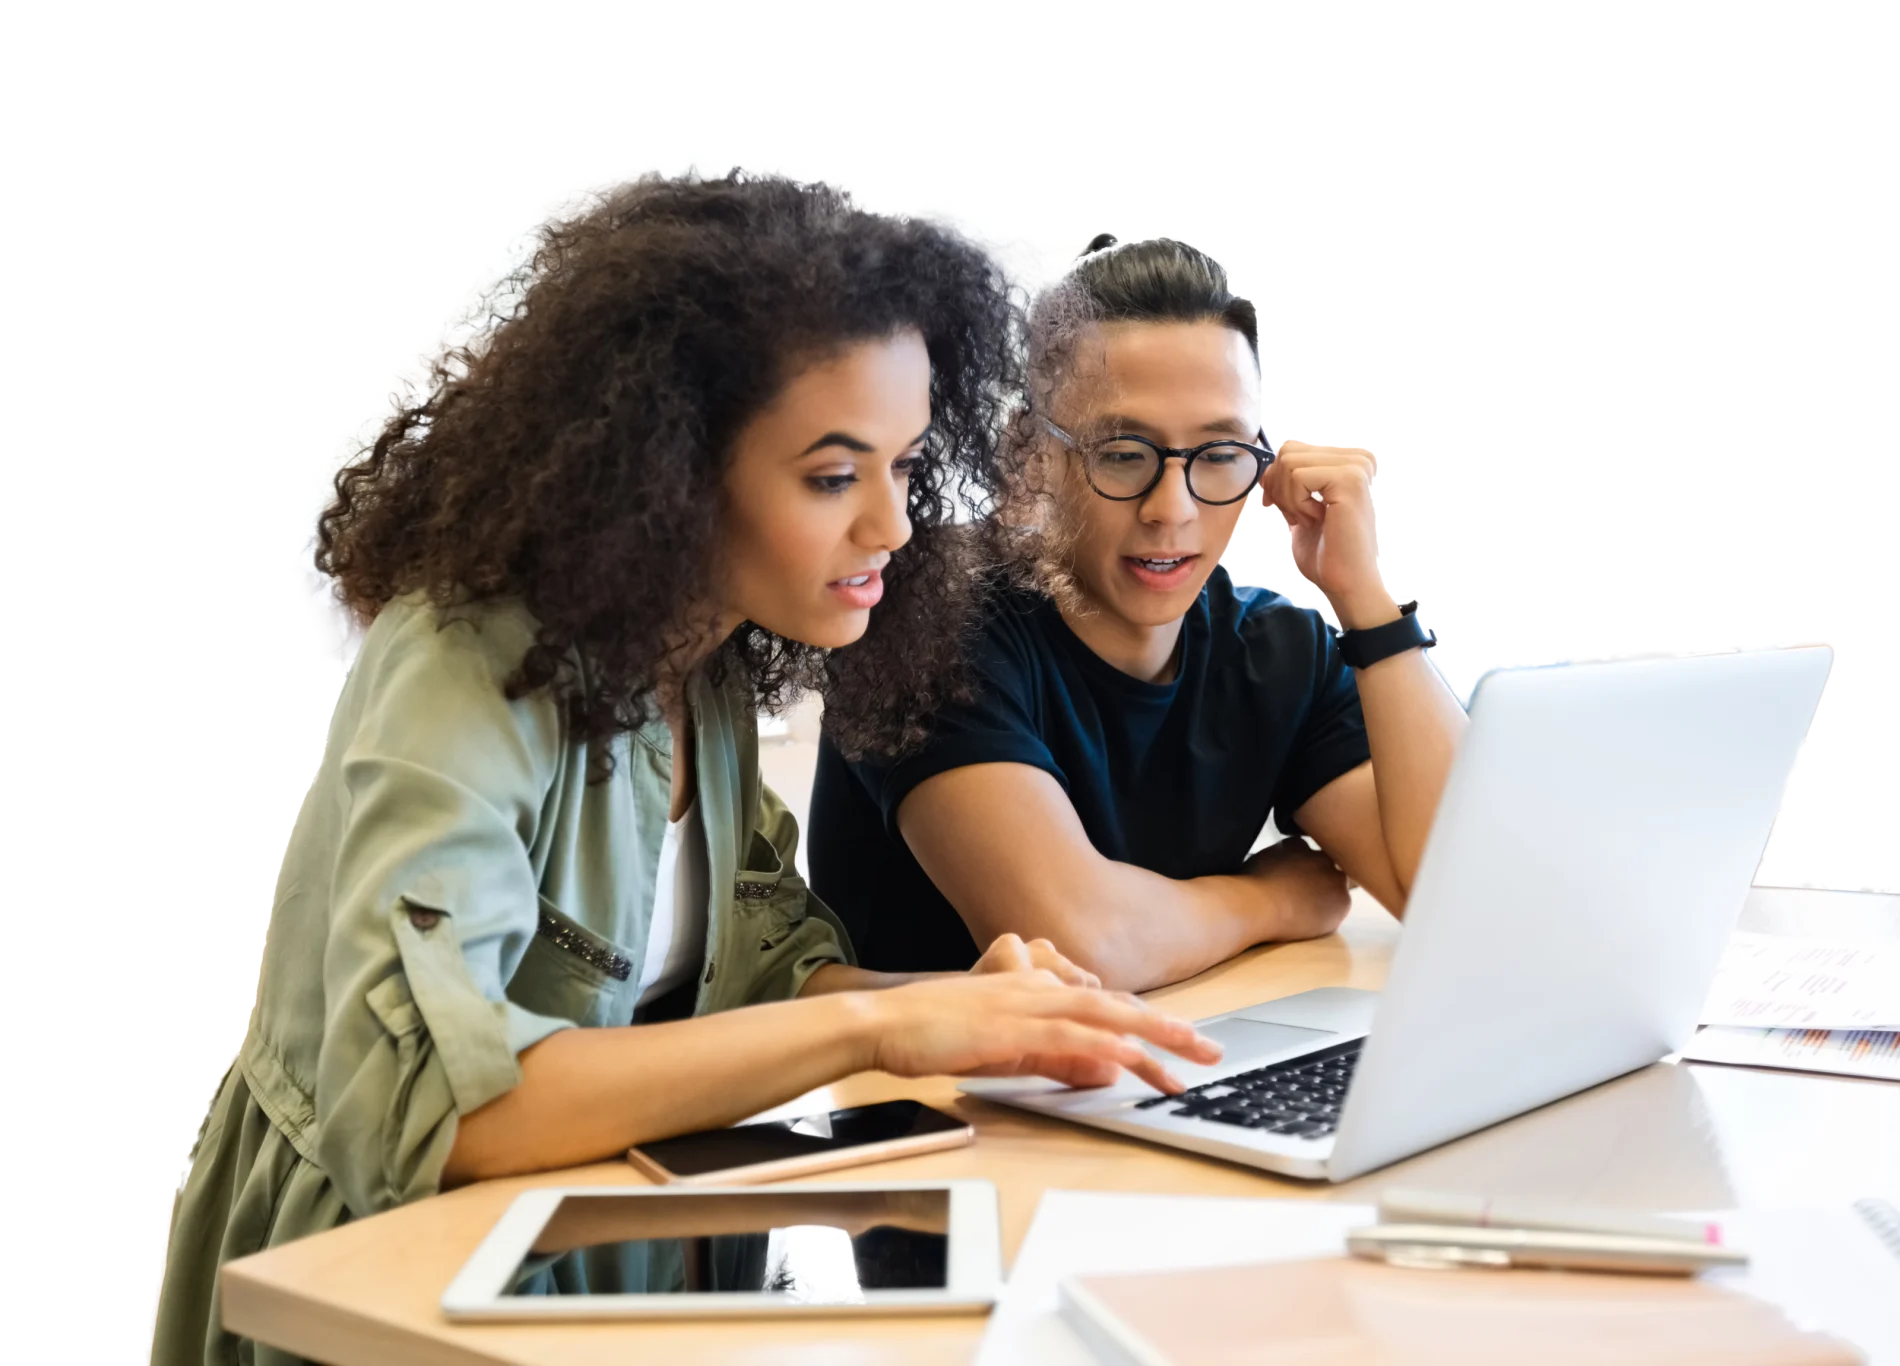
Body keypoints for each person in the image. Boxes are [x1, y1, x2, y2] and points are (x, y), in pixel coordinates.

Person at [149, 173, 1220, 1366]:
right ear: (667, 468)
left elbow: (758, 968)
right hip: (380, 1286)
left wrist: (978, 1016)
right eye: (832, 475)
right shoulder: (462, 659)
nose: (894, 525)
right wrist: (888, 1027)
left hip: (602, 1254)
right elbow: (440, 1109)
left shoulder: (701, 660)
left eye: (908, 466)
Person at [809, 233, 1470, 992]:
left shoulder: (1278, 651)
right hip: (936, 1102)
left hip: (1170, 1070)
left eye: (1219, 454)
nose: (1172, 510)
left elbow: (1465, 898)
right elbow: (1083, 945)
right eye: (1123, 453)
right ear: (1029, 454)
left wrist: (1365, 603)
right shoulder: (923, 626)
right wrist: (1272, 898)